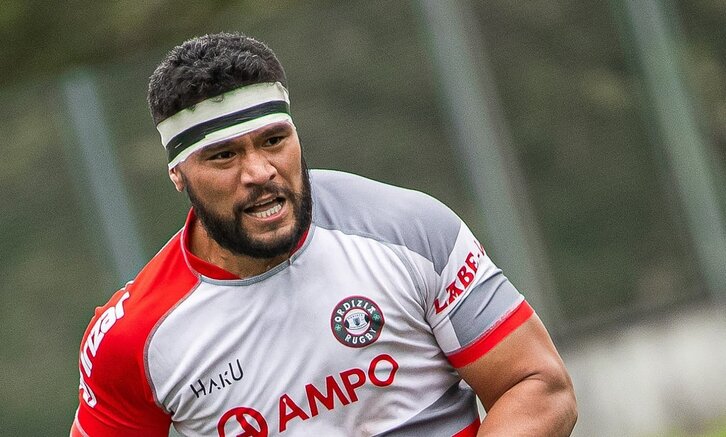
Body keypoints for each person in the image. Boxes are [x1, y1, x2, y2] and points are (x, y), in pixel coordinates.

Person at [71, 32, 577, 437]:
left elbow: (538, 386)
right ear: (179, 174)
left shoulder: (407, 229)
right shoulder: (132, 338)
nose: (260, 171)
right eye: (224, 156)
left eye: (274, 141)